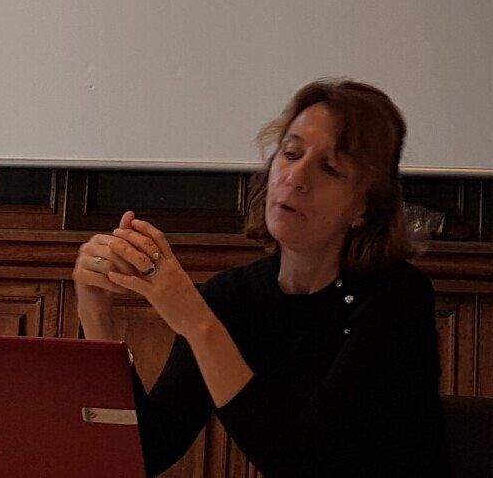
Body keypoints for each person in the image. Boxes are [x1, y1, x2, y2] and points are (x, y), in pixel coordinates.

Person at [72, 79, 450, 477]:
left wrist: (198, 325)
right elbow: (145, 453)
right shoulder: (235, 295)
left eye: (329, 168)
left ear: (364, 207)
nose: (295, 177)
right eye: (290, 153)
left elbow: (307, 466)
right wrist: (96, 314)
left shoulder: (398, 298)